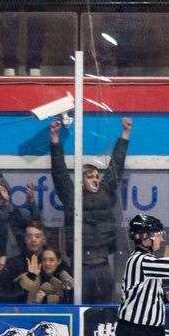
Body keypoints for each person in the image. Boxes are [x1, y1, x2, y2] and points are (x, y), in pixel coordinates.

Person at [50, 117, 132, 303]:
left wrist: (125, 135)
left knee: (105, 311)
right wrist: (55, 139)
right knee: (81, 311)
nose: (95, 179)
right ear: (81, 180)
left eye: (97, 176)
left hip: (103, 264)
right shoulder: (72, 197)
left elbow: (116, 166)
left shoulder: (105, 192)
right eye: (90, 176)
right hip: (81, 267)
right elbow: (59, 173)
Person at [0, 172, 40, 298]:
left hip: (20, 279)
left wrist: (31, 201)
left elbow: (36, 226)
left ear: (9, 193)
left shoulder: (20, 213)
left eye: (2, 190)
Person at [0, 220, 48, 303]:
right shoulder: (13, 264)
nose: (33, 239)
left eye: (37, 236)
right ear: (25, 239)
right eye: (29, 236)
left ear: (44, 239)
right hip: (20, 312)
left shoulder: (50, 262)